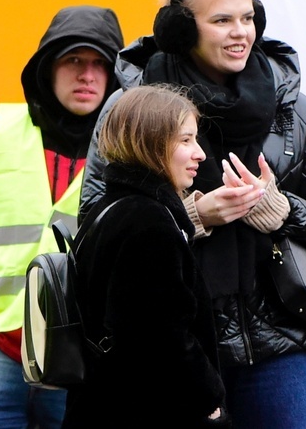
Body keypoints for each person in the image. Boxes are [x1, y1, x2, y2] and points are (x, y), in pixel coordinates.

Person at [79, 0, 306, 428]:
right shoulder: (131, 110)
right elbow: (95, 231)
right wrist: (191, 218)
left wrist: (281, 210)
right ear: (183, 30)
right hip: (175, 347)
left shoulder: (296, 109)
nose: (240, 33)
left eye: (247, 18)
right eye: (222, 20)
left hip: (278, 346)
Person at [0, 5, 124, 428]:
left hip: (83, 364)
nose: (87, 75)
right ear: (47, 68)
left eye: (99, 63)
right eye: (74, 60)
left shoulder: (126, 152)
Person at [62, 83, 230, 428]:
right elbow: (162, 339)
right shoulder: (148, 222)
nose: (199, 153)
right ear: (150, 143)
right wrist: (210, 401)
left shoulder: (112, 208)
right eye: (185, 140)